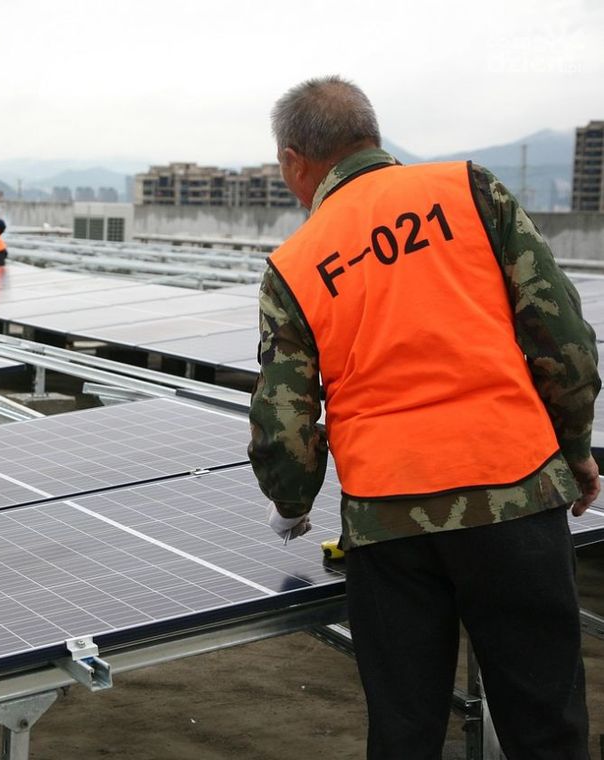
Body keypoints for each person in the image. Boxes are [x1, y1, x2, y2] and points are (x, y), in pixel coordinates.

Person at [249, 75, 600, 759]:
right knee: (546, 721)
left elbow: (284, 418)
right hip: (515, 492)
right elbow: (562, 338)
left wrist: (291, 504)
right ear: (372, 137)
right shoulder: (470, 190)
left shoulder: (293, 264)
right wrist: (576, 447)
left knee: (406, 729)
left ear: (295, 161)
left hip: (389, 520)